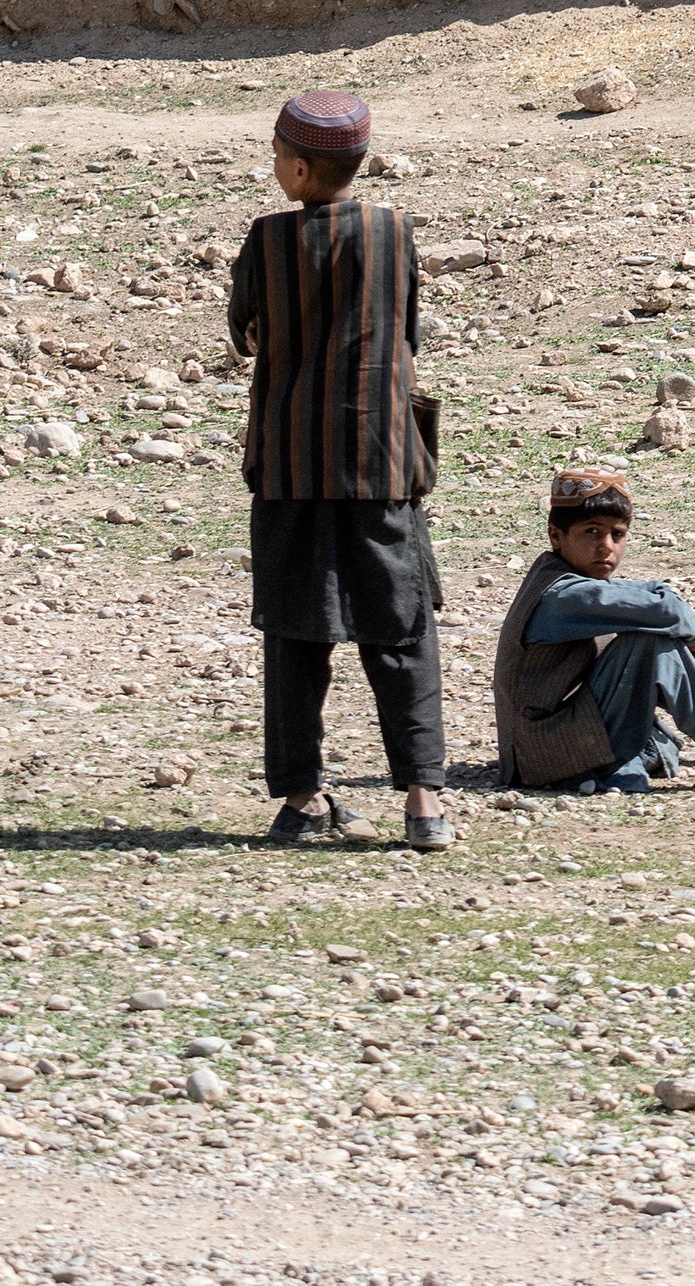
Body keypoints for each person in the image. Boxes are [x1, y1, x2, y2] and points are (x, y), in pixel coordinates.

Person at [226, 88, 452, 854]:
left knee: (295, 633)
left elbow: (248, 338)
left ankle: (301, 798)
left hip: (290, 466)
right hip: (381, 463)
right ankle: (424, 803)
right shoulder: (397, 235)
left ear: (295, 168)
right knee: (402, 628)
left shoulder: (266, 242)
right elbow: (407, 332)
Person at [489, 470, 695, 797]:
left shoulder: (575, 581)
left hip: (560, 736)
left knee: (651, 635)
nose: (606, 546)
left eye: (617, 534)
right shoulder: (563, 597)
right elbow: (665, 611)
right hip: (545, 754)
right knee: (647, 641)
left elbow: (651, 596)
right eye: (592, 532)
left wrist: (676, 625)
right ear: (556, 537)